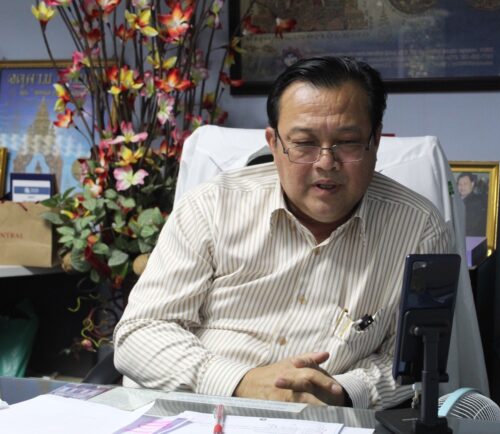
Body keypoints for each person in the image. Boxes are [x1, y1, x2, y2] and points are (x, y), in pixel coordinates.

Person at [113, 56, 452, 410]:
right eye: (304, 143)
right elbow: (139, 333)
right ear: (274, 143)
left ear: (375, 141)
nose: (326, 162)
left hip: (326, 420)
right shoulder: (211, 206)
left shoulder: (419, 229)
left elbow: (416, 361)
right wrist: (240, 383)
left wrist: (343, 391)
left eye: (348, 142)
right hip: (197, 413)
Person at [456, 172, 487, 237]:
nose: (462, 187)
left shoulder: (476, 202)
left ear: (472, 184)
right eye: (459, 184)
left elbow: (468, 226)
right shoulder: (457, 200)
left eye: (465, 184)